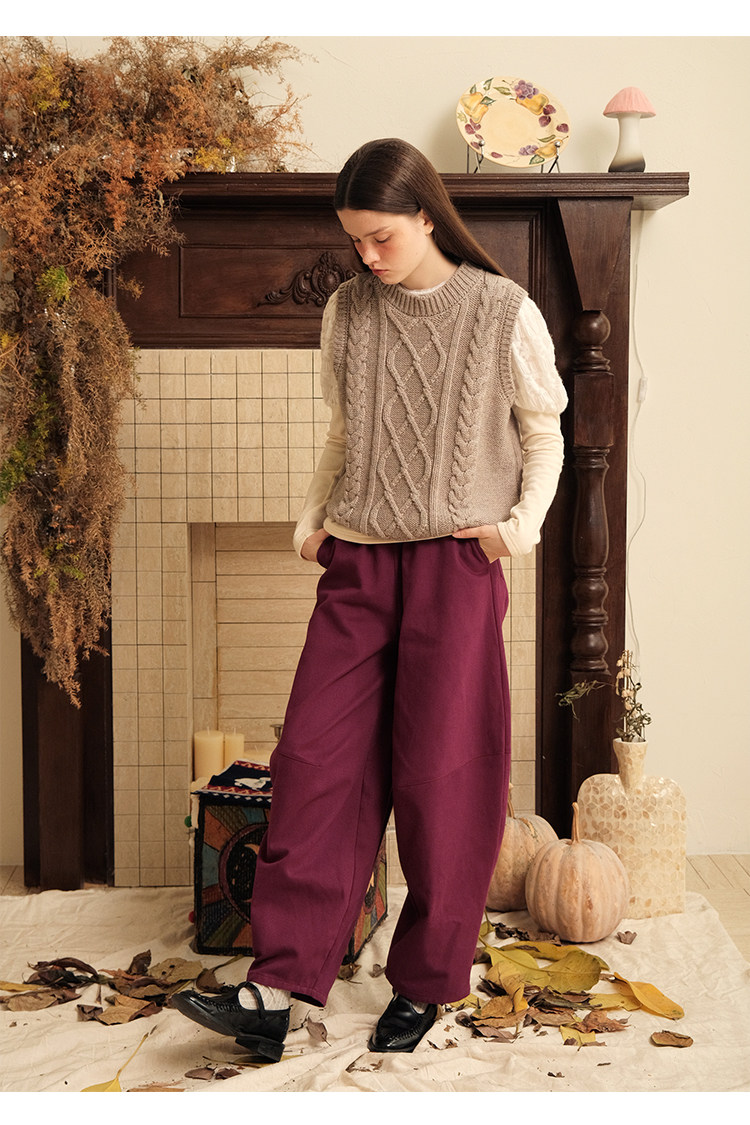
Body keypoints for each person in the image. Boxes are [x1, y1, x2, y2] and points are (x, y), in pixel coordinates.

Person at [172, 138, 568, 1061]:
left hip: (455, 566)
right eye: (354, 239)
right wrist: (309, 522)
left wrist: (515, 531)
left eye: (381, 236)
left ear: (427, 215)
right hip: (356, 563)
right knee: (314, 762)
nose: (367, 256)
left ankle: (425, 981)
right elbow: (347, 435)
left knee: (444, 779)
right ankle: (276, 988)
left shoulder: (501, 309)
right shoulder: (348, 309)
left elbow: (544, 434)